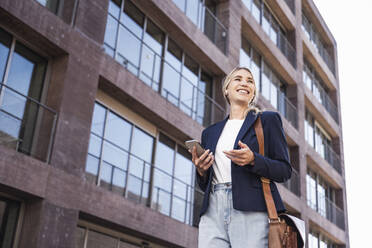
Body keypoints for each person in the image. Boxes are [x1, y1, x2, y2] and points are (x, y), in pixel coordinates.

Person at [189, 66, 292, 248]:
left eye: (250, 81)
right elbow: (205, 183)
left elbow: (284, 170)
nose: (244, 82)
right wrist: (201, 170)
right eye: (238, 79)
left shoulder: (267, 120)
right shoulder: (210, 133)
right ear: (227, 90)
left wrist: (254, 159)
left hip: (251, 209)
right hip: (213, 209)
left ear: (252, 93)